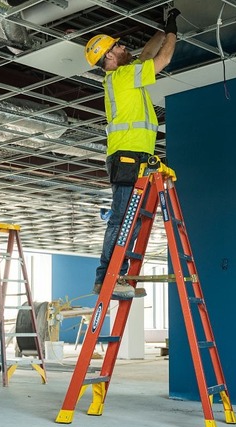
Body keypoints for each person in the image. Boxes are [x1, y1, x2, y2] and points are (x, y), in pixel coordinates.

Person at [85, 9, 181, 299]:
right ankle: (109, 278)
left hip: (131, 157)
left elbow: (147, 55)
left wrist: (161, 30)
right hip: (128, 157)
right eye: (118, 46)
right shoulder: (124, 76)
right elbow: (161, 60)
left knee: (130, 219)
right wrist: (173, 30)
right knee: (122, 219)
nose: (124, 47)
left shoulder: (124, 75)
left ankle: (115, 275)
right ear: (109, 58)